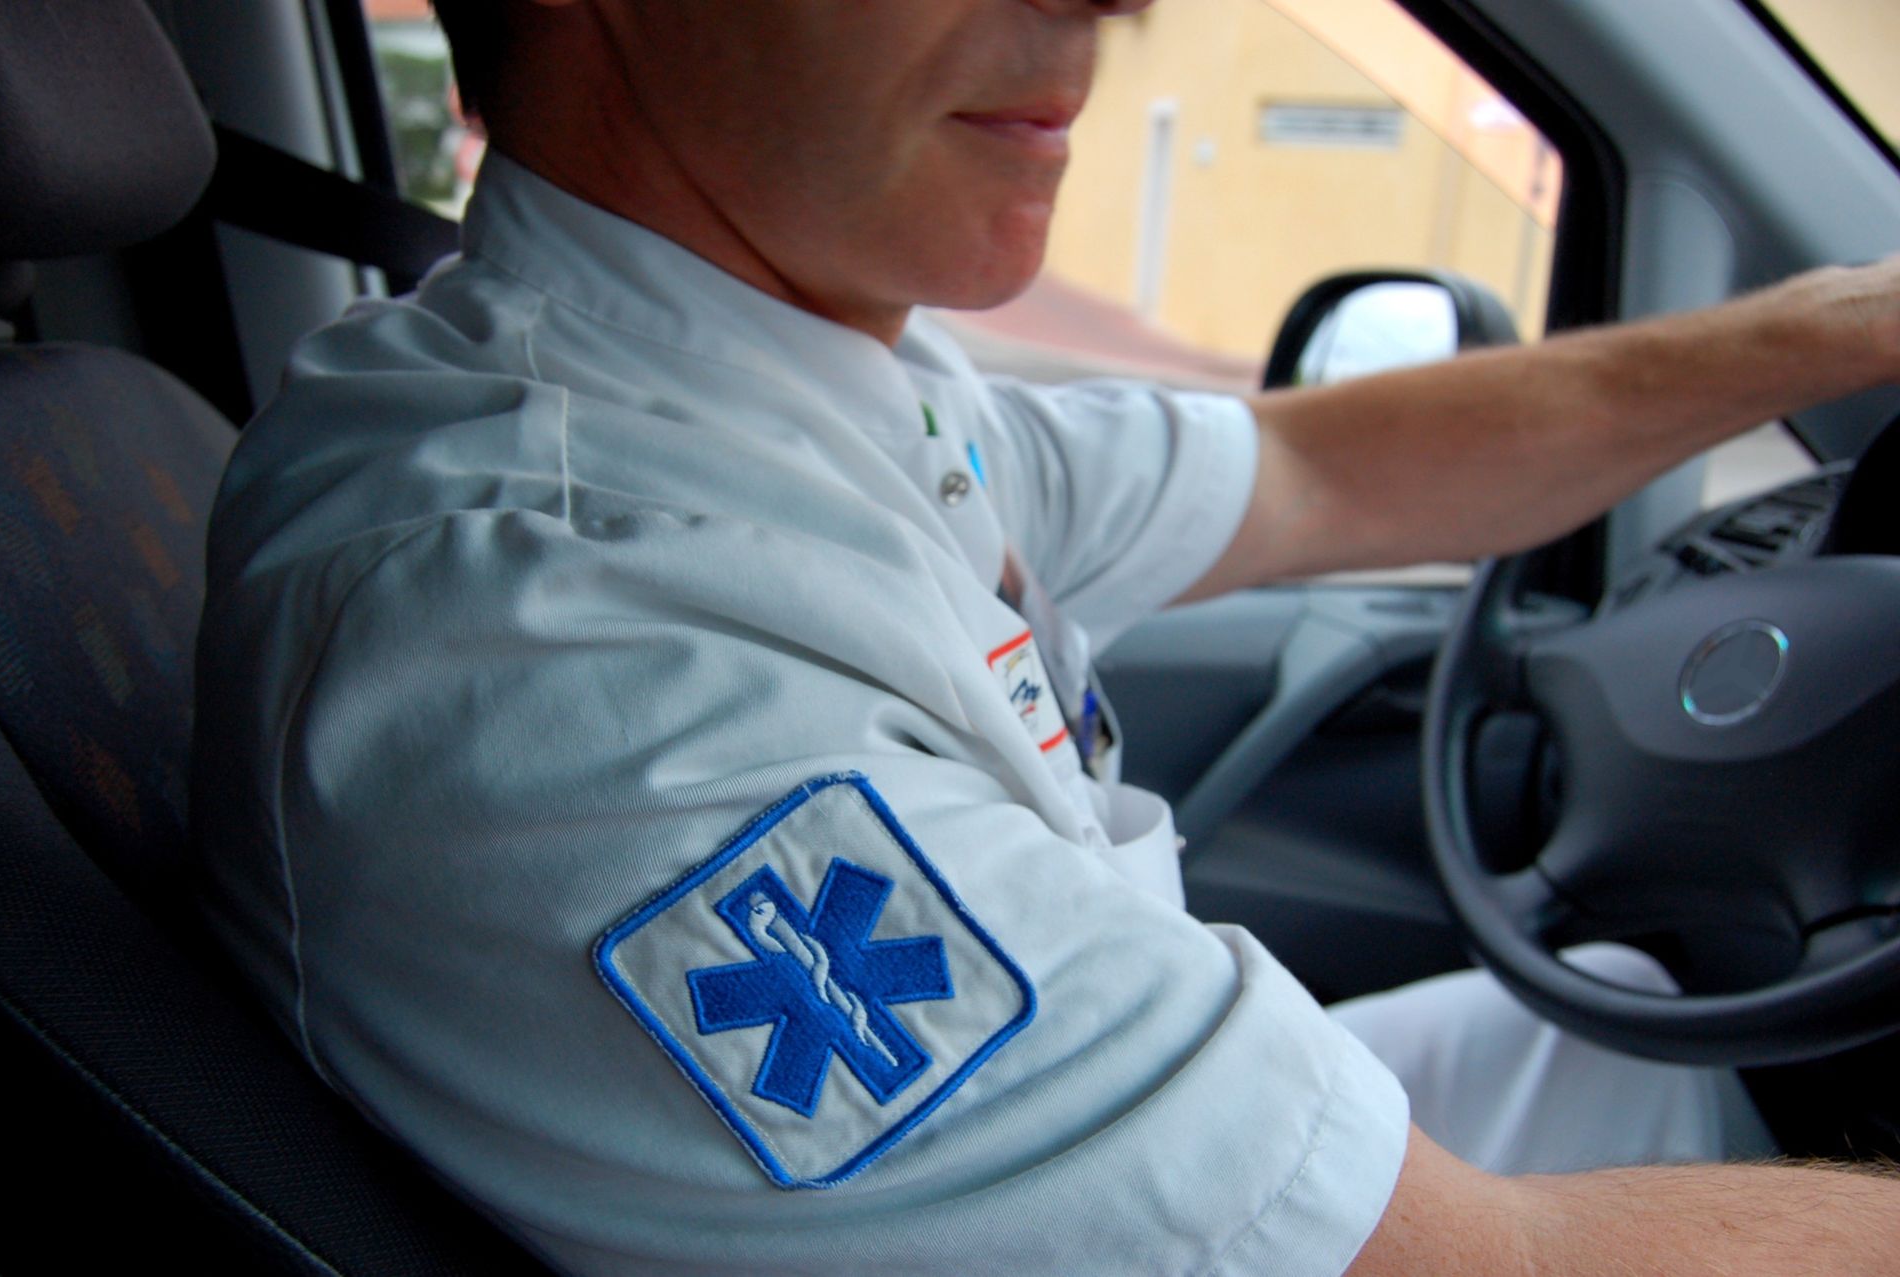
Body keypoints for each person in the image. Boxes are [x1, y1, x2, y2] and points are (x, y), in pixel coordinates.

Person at [192, 0, 1900, 1272]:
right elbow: (1482, 1270)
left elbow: (1312, 470)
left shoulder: (785, 378)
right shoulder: (563, 635)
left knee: (1622, 1030)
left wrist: (1840, 323)